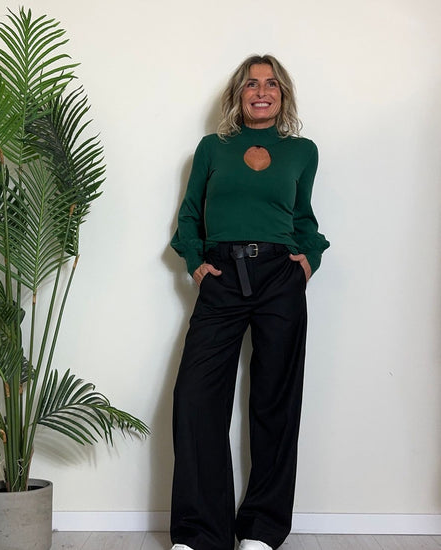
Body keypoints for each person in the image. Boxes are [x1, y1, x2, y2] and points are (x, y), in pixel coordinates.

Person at [169, 54, 329, 550]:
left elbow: (303, 219)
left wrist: (308, 261)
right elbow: (190, 214)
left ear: (283, 95)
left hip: (280, 276)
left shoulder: (302, 151)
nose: (262, 92)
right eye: (252, 84)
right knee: (195, 398)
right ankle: (201, 534)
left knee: (275, 400)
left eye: (272, 84)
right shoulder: (212, 148)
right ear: (238, 95)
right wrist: (196, 261)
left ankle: (261, 529)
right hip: (221, 275)